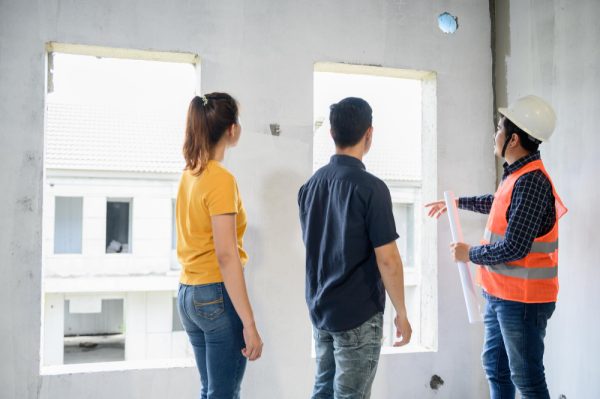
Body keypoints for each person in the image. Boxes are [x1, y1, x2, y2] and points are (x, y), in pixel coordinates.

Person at [426, 95, 567, 399]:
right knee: (496, 367)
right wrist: (455, 203)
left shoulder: (532, 181)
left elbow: (515, 246)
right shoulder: (518, 175)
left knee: (526, 378)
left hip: (523, 301)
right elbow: (497, 205)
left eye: (500, 128)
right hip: (502, 294)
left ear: (513, 139)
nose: (496, 134)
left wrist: (470, 254)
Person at [298, 97, 412, 399]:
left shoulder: (310, 186)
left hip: (321, 310)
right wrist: (401, 311)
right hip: (358, 315)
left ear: (332, 133)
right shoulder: (371, 188)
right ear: (369, 134)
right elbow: (388, 260)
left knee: (323, 391)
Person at [176, 93, 263, 399]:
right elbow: (226, 256)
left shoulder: (189, 174)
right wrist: (250, 324)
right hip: (213, 296)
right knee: (223, 394)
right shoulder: (220, 179)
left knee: (211, 392)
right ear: (231, 129)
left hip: (188, 294)